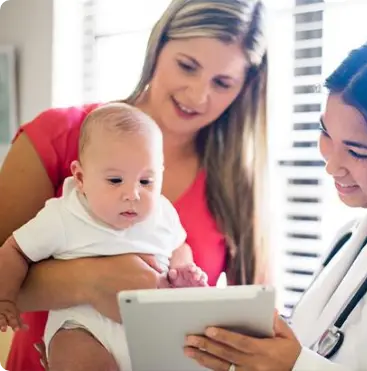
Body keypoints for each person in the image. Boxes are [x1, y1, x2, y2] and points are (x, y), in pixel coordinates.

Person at [184, 33, 367, 371]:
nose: (331, 164)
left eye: (357, 151)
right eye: (326, 134)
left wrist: (292, 367)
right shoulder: (354, 234)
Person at [1, 1, 270, 370]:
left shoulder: (236, 186)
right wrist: (90, 281)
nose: (197, 95)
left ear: (245, 87)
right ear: (158, 47)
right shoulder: (55, 137)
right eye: (187, 66)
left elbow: (252, 329)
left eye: (223, 83)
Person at [0, 103, 209, 370]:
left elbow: (179, 246)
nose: (132, 194)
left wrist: (183, 271)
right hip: (81, 328)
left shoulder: (162, 213)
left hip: (148, 333)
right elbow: (14, 249)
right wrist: (5, 296)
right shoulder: (65, 216)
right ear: (81, 178)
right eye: (114, 180)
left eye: (146, 182)